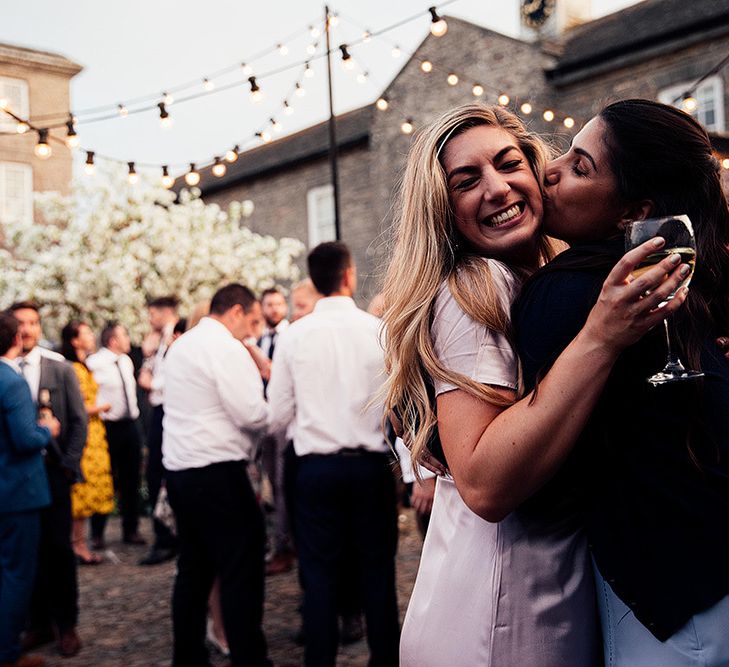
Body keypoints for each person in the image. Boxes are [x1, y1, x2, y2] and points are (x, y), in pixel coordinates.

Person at [381, 104, 689, 666]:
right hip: (503, 608)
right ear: (441, 210)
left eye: (508, 164)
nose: (497, 189)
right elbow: (485, 485)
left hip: (548, 587)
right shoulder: (476, 287)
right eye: (466, 182)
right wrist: (600, 337)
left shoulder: (542, 281)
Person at [512, 99, 729, 665]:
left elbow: (539, 477)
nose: (548, 170)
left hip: (674, 606)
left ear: (635, 211)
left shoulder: (569, 292)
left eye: (580, 166)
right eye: (563, 153)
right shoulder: (690, 294)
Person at [268, 242, 400, 667]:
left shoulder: (293, 336)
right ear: (349, 275)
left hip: (316, 469)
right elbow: (398, 404)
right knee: (378, 571)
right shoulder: (376, 331)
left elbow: (277, 416)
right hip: (370, 467)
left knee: (319, 573)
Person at [162, 283, 270, 667]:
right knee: (241, 569)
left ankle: (187, 657)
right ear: (236, 311)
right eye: (251, 320)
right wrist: (279, 409)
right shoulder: (225, 347)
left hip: (180, 471)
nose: (252, 332)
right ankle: (249, 659)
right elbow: (251, 413)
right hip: (218, 474)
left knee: (193, 568)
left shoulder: (181, 346)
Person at [9, 302, 87, 659]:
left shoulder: (59, 368)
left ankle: (66, 623)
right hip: (19, 476)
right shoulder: (6, 370)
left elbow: (78, 420)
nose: (28, 329)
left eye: (34, 322)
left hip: (53, 473)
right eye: (21, 323)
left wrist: (68, 466)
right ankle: (36, 623)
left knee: (58, 549)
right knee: (29, 552)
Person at [0, 312, 59, 667]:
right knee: (18, 575)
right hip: (17, 491)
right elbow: (24, 439)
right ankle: (7, 654)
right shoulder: (11, 380)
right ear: (17, 337)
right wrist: (47, 429)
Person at [59, 321, 114, 566]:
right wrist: (101, 407)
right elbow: (77, 407)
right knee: (80, 491)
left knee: (88, 489)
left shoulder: (84, 366)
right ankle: (77, 545)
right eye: (87, 333)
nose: (92, 336)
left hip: (94, 434)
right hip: (85, 434)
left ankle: (80, 543)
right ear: (74, 340)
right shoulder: (73, 369)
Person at [86, 322, 145, 547]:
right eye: (124, 335)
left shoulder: (126, 361)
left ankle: (131, 530)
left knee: (132, 479)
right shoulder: (95, 363)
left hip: (131, 425)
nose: (128, 339)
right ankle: (98, 533)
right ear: (112, 341)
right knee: (105, 477)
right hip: (108, 428)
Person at [137, 296, 179, 565]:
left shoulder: (179, 336)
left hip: (171, 410)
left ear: (165, 313)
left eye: (152, 313)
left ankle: (169, 537)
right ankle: (165, 534)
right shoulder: (159, 342)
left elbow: (169, 380)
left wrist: (152, 384)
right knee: (154, 474)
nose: (150, 319)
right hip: (159, 412)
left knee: (161, 474)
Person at [256, 288, 294, 576]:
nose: (274, 308)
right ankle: (279, 541)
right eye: (269, 304)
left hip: (285, 422)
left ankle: (285, 546)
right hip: (262, 421)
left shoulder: (291, 337)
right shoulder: (258, 340)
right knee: (270, 482)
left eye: (279, 304)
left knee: (284, 484)